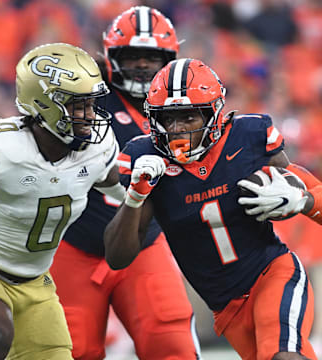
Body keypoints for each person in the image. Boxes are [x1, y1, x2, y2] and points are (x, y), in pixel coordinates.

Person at [104, 57, 322, 359]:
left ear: (214, 114)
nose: (176, 129)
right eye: (167, 118)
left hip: (273, 274)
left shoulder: (249, 137)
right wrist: (135, 196)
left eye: (188, 117)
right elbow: (117, 257)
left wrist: (303, 200)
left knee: (283, 356)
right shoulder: (144, 156)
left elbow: (311, 189)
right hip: (226, 308)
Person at [50, 6, 202, 360]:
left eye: (151, 57)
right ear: (110, 56)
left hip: (143, 244)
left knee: (170, 341)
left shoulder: (185, 105)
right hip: (75, 243)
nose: (142, 66)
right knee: (71, 349)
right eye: (132, 56)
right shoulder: (87, 94)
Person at [0, 42, 125, 360]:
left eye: (92, 104)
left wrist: (149, 193)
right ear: (45, 104)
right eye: (79, 105)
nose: (90, 115)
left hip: (35, 281)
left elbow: (122, 190)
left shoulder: (96, 150)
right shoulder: (2, 148)